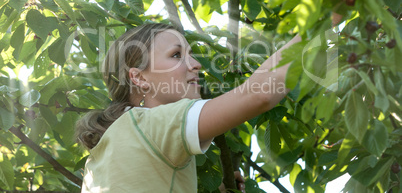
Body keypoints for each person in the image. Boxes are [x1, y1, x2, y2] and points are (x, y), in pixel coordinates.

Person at [75, 22, 302, 192]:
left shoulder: (108, 148)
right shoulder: (153, 123)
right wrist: (317, 29)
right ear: (139, 78)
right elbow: (259, 94)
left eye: (191, 55)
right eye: (176, 55)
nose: (196, 65)